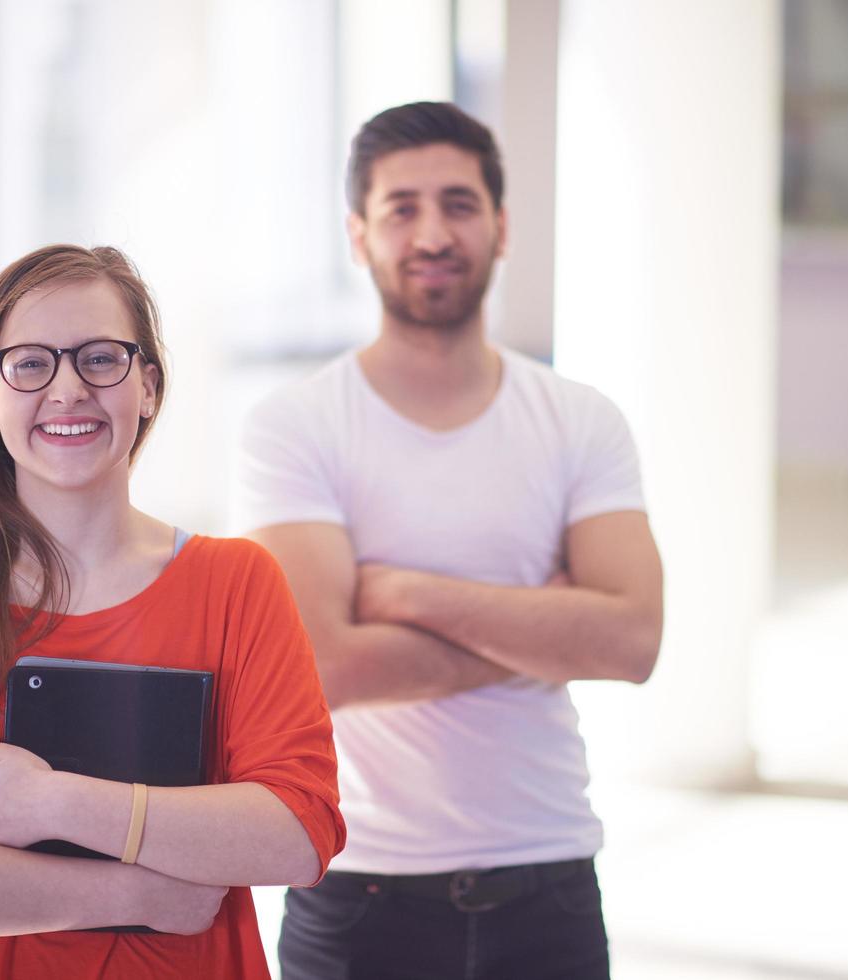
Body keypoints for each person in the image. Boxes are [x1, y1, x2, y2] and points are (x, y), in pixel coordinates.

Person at [0, 244, 345, 979]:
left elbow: (297, 832)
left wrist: (59, 804)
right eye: (31, 363)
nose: (67, 390)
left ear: (149, 386)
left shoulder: (236, 583)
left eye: (101, 358)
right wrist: (136, 893)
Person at [235, 102, 664, 979]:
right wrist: (545, 627)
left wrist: (406, 594)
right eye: (402, 208)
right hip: (356, 887)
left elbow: (630, 640)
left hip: (546, 876)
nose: (432, 232)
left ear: (501, 227)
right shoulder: (295, 426)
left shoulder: (578, 420)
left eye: (459, 204)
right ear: (358, 235)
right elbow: (324, 669)